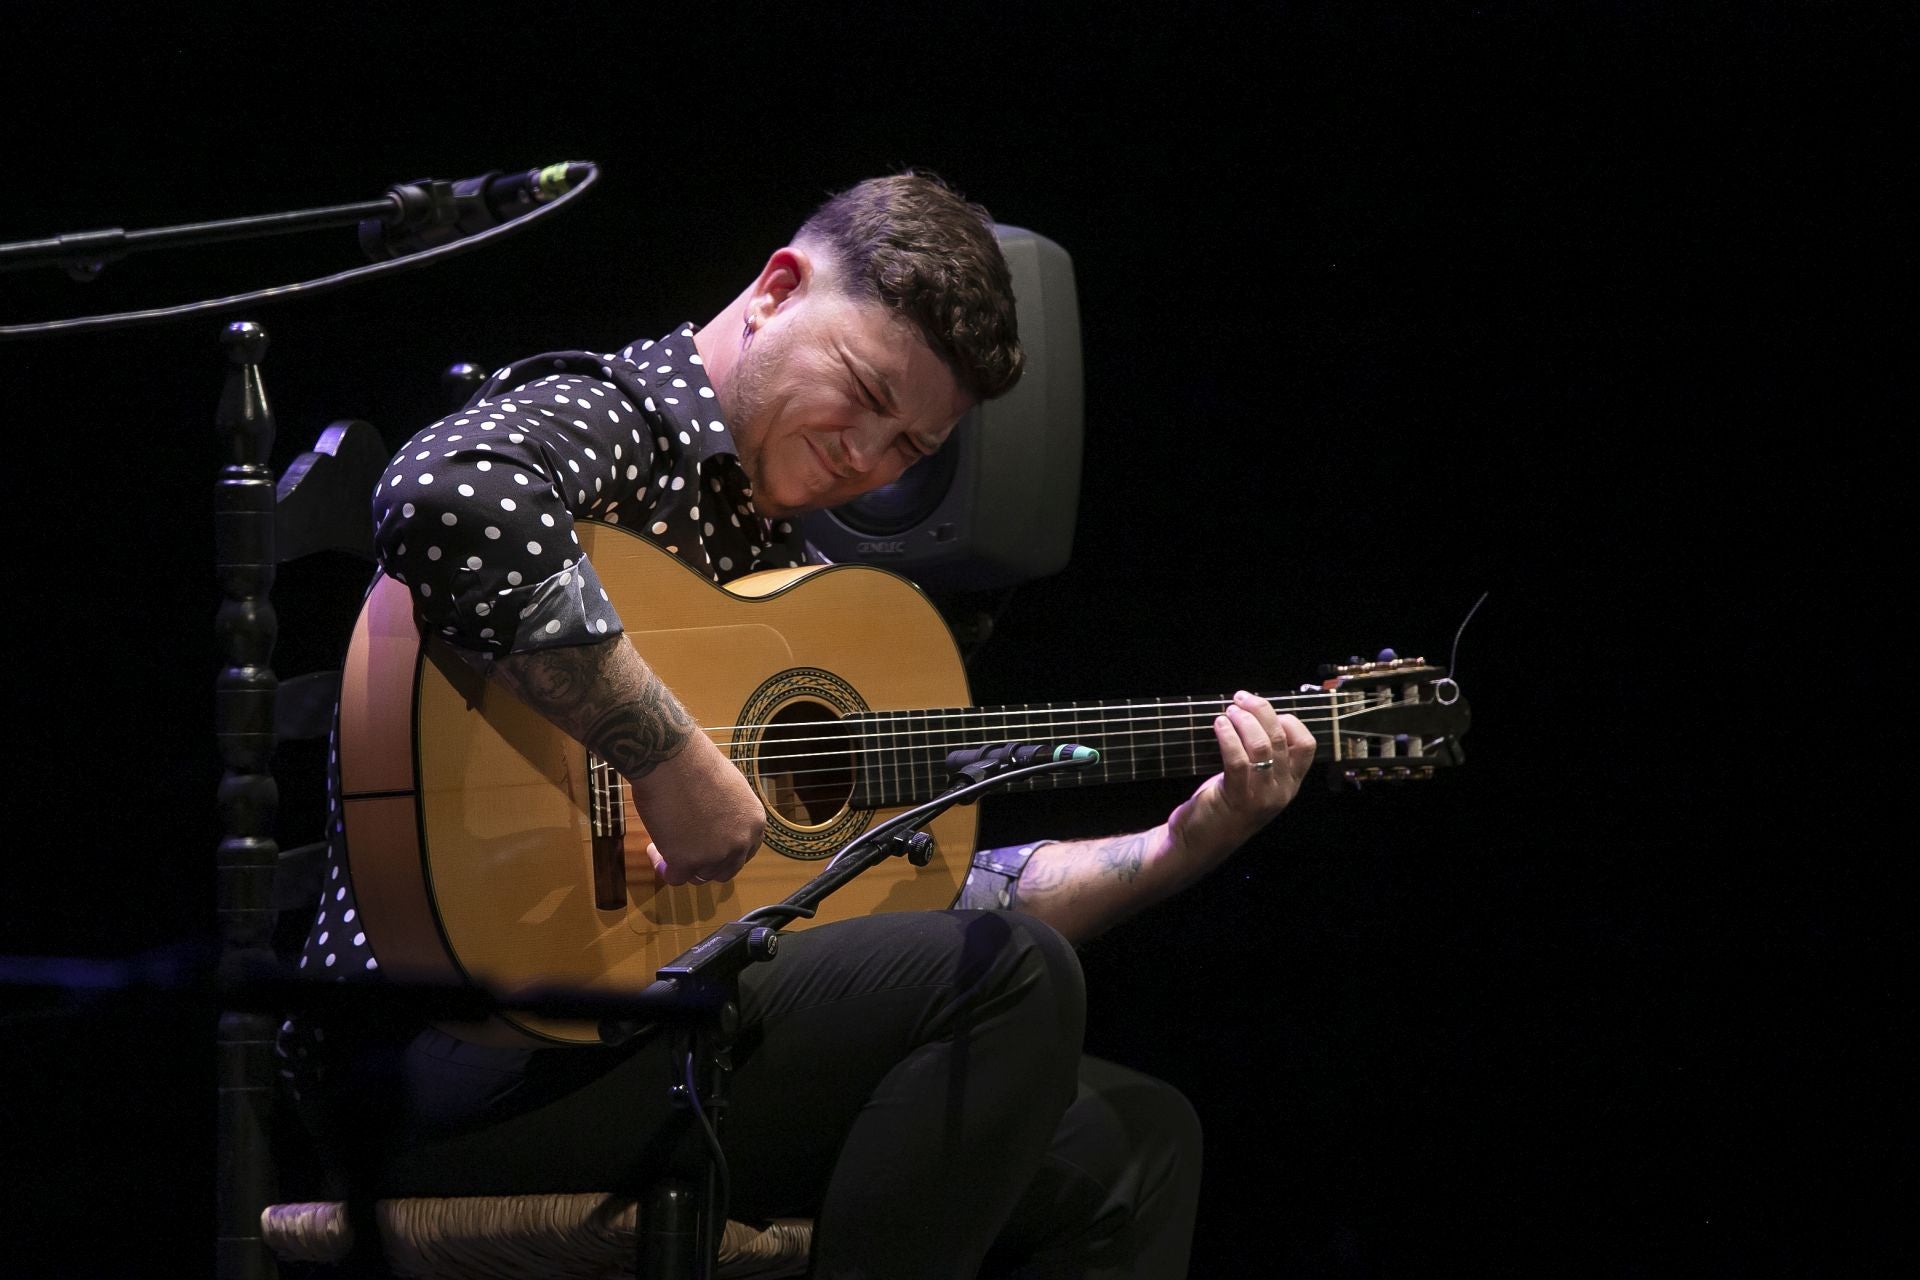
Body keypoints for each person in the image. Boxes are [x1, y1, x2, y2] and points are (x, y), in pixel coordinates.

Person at [278, 172, 1315, 1278]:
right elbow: (445, 492)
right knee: (1008, 978)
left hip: (651, 1040)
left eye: (910, 447)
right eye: (864, 392)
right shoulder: (624, 418)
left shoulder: (798, 581)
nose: (868, 458)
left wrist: (1178, 844)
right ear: (778, 289)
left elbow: (921, 890)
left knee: (1138, 1138)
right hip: (446, 1054)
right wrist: (667, 757)